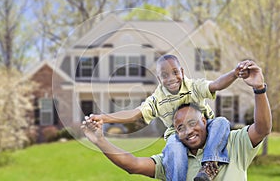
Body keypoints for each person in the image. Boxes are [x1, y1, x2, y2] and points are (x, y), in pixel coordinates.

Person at [81, 60, 272, 181]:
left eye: (192, 123)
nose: (188, 131)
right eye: (181, 127)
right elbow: (133, 163)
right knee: (173, 145)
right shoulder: (174, 157)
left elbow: (262, 128)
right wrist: (101, 136)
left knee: (222, 122)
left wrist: (256, 87)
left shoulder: (233, 143)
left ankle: (210, 165)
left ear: (204, 121)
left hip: (217, 132)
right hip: (174, 145)